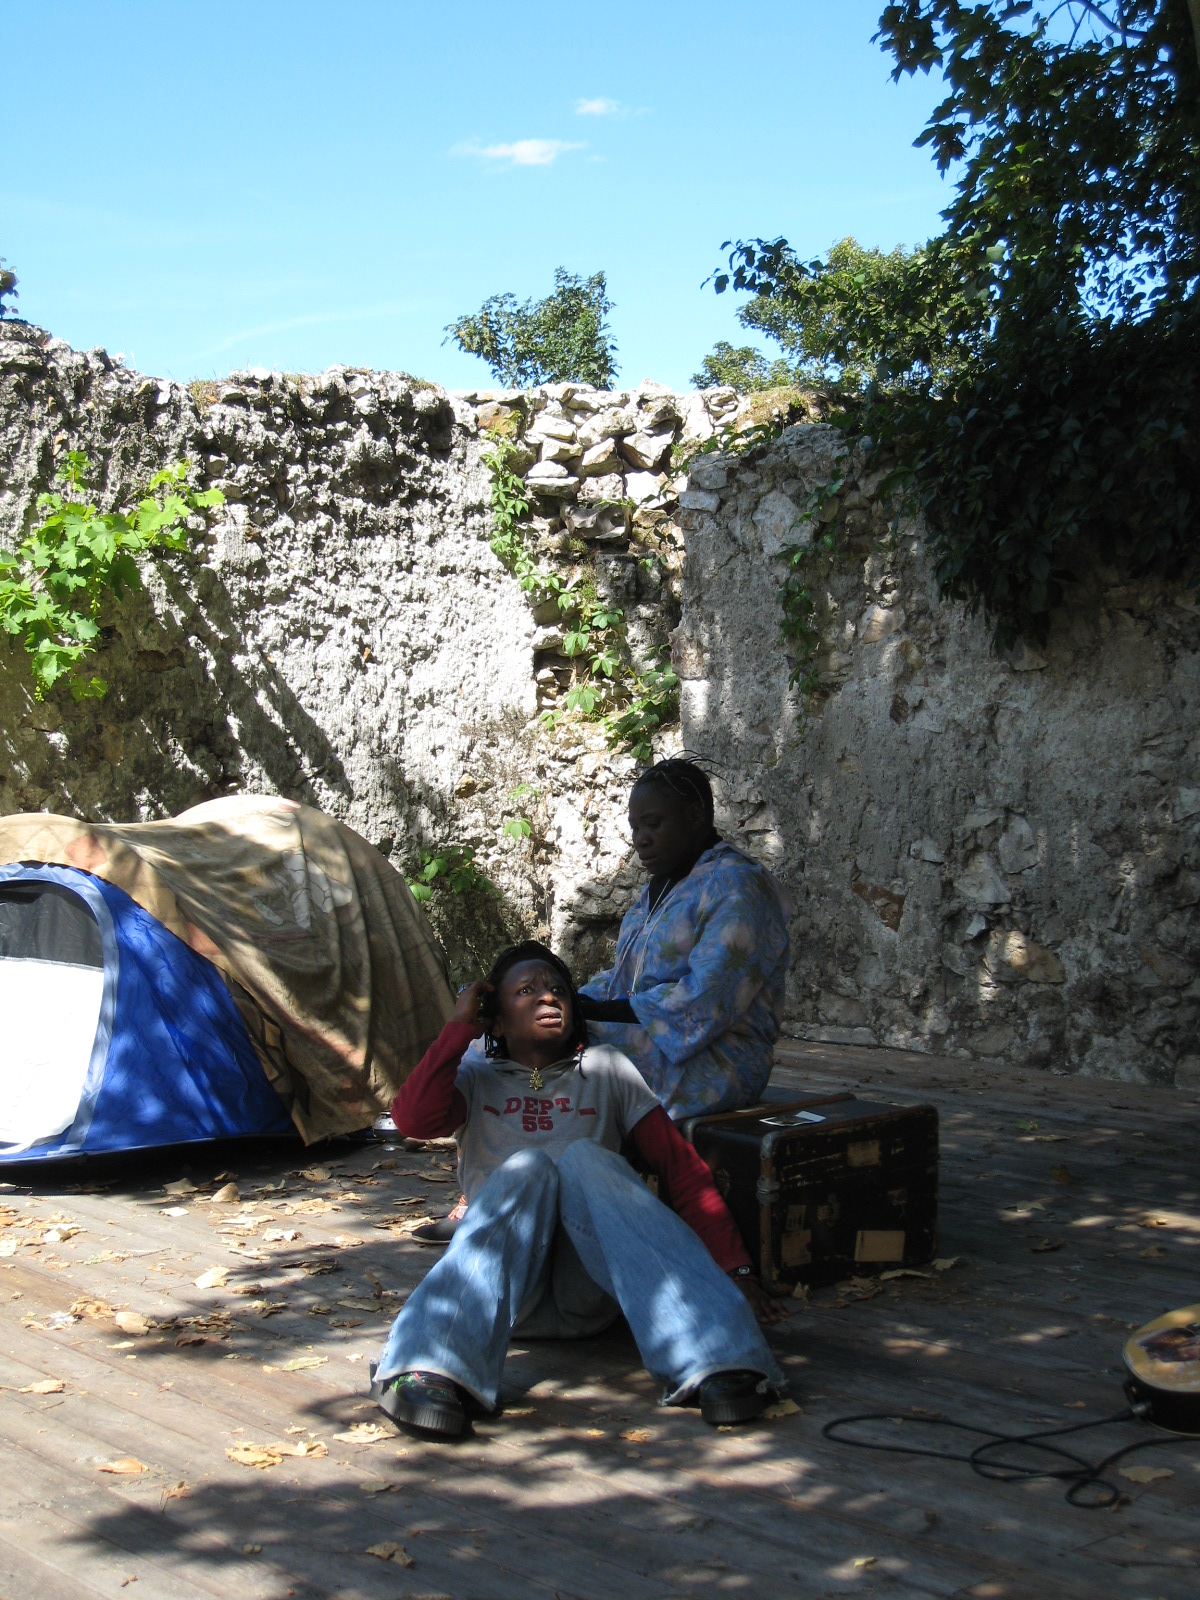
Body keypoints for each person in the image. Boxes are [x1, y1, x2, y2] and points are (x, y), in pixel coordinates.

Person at [370, 941, 786, 1437]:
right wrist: (459, 1029)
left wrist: (737, 1270)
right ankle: (427, 1363)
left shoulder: (607, 1069)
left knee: (588, 1160)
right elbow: (413, 1119)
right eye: (526, 990)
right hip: (501, 1293)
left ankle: (721, 1355)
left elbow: (681, 1170)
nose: (548, 997)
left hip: (589, 1290)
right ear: (496, 1021)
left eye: (558, 989)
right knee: (528, 1169)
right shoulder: (475, 1075)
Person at [577, 759, 791, 1120]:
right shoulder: (660, 888)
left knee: (577, 1063)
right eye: (635, 828)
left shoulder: (736, 885)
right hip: (652, 1037)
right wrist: (570, 1000)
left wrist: (598, 1014)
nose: (641, 839)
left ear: (695, 816)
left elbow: (708, 996)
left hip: (720, 1059)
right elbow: (625, 977)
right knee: (532, 1041)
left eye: (653, 824)